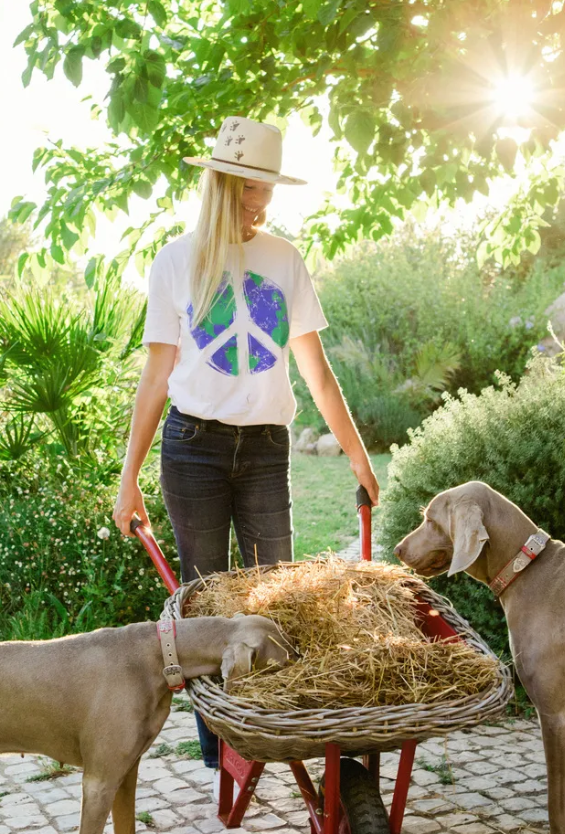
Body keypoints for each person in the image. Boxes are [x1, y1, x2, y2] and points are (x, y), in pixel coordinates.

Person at [113, 115, 379, 785]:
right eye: (249, 190)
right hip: (192, 448)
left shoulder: (284, 260)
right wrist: (128, 478)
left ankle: (274, 729)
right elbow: (155, 376)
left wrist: (358, 455)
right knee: (206, 603)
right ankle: (222, 753)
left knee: (275, 595)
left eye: (267, 190)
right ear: (220, 186)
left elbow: (316, 372)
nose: (261, 204)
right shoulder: (175, 261)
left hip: (264, 449)